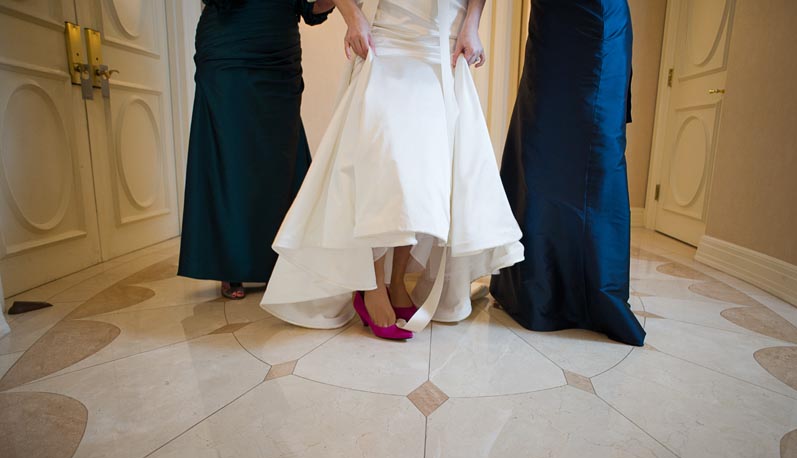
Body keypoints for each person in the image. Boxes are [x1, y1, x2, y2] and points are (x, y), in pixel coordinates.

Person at [260, 0, 524, 340]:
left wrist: (472, 22)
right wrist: (353, 16)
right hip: (390, 33)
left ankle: (396, 282)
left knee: (420, 176)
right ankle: (370, 287)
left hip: (440, 38)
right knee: (383, 164)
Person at [491, 0, 646, 346]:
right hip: (549, 23)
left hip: (598, 22)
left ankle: (595, 290)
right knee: (538, 143)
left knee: (598, 151)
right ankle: (533, 289)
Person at [178, 0, 334, 300]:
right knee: (230, 156)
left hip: (278, 51)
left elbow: (309, 8)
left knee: (279, 160)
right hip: (229, 43)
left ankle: (281, 257)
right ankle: (230, 264)